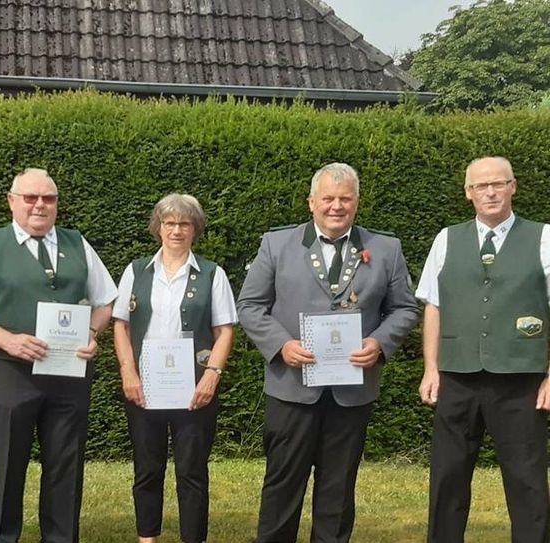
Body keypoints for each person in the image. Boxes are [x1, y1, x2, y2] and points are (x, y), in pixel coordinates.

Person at [236, 162, 418, 543]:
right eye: (329, 198)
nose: (337, 206)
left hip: (351, 391)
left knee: (338, 487)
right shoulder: (277, 243)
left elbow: (405, 308)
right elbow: (250, 306)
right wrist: (281, 344)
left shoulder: (385, 248)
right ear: (311, 202)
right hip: (291, 387)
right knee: (282, 483)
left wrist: (381, 343)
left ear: (357, 202)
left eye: (345, 199)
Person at [0, 168, 116, 543]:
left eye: (49, 198)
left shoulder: (78, 244)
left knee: (66, 463)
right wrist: (8, 341)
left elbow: (107, 300)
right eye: (30, 197)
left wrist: (92, 332)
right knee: (9, 462)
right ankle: (4, 537)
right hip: (13, 371)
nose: (40, 205)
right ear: (12, 201)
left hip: (68, 372)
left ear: (57, 204)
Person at [416, 156, 550, 542]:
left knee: (527, 480)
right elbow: (434, 306)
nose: (489, 192)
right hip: (457, 377)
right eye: (480, 186)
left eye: (497, 184)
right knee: (447, 478)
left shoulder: (542, 238)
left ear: (513, 187)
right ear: (468, 194)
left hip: (520, 378)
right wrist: (431, 368)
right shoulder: (446, 238)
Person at [112, 194, 237, 543]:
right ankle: (147, 538)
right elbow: (120, 324)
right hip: (145, 386)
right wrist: (128, 372)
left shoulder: (212, 273)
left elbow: (224, 329)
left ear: (195, 228)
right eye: (170, 223)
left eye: (184, 223)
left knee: (192, 471)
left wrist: (212, 375)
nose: (177, 230)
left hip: (195, 389)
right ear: (158, 228)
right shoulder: (136, 271)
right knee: (147, 469)